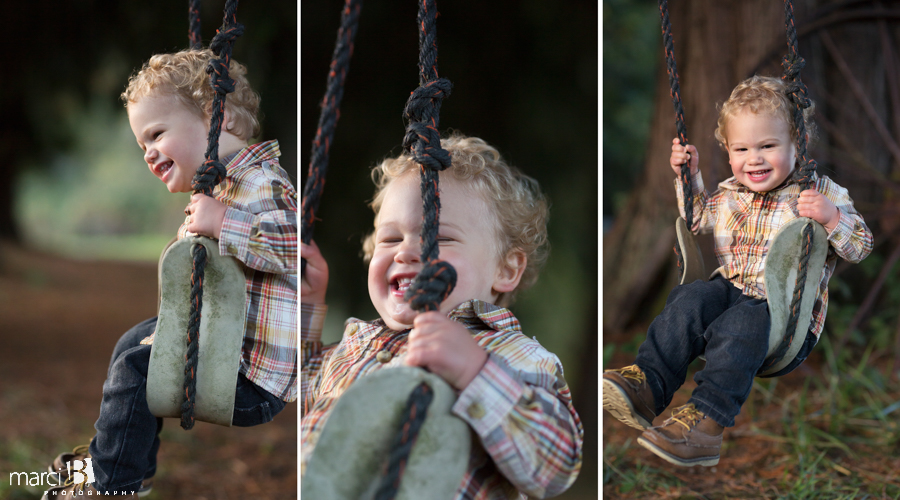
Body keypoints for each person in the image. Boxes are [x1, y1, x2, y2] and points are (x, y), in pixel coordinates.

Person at [42, 49, 297, 498]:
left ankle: (110, 485)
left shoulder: (263, 183)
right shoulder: (221, 188)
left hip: (250, 374)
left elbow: (293, 249)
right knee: (131, 345)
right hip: (223, 347)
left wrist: (223, 224)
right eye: (143, 145)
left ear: (218, 117)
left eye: (156, 134)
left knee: (139, 369)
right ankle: (127, 467)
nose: (148, 153)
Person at [603, 75, 873, 467]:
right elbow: (696, 220)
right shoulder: (729, 194)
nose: (754, 159)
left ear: (798, 143)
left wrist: (832, 219)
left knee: (739, 324)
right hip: (730, 291)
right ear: (728, 151)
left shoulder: (819, 193)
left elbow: (861, 245)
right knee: (690, 299)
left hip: (780, 316)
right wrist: (688, 176)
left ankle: (705, 425)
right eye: (741, 148)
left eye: (768, 146)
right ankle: (648, 385)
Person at [300, 134, 583, 498]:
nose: (406, 253)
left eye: (441, 238)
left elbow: (554, 464)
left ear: (507, 268)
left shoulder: (513, 357)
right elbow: (300, 395)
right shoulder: (358, 346)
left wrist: (474, 372)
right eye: (389, 239)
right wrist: (307, 307)